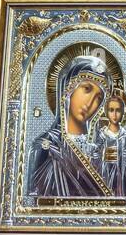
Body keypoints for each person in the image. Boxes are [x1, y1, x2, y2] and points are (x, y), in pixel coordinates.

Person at [25, 55, 113, 199]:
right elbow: (34, 200)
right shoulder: (46, 147)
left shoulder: (101, 148)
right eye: (86, 89)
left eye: (98, 98)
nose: (90, 103)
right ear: (68, 89)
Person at [94, 88, 126, 198]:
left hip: (121, 178)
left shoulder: (125, 136)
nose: (114, 114)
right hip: (105, 176)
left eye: (118, 110)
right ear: (106, 112)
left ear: (123, 112)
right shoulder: (101, 135)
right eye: (111, 110)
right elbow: (95, 159)